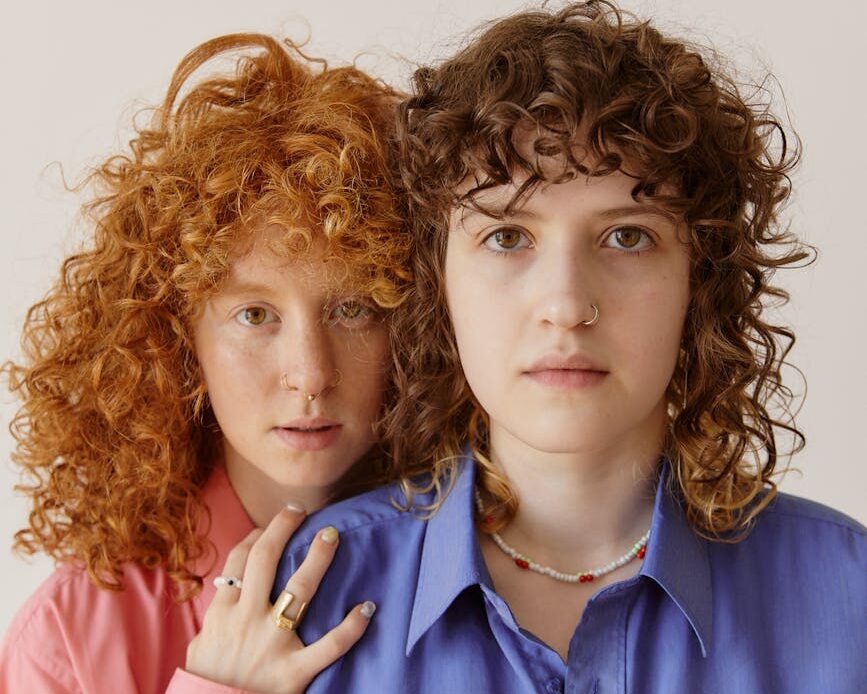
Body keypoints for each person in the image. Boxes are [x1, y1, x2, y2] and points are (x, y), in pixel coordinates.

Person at [271, 2, 867, 692]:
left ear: (697, 280)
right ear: (439, 282)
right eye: (506, 237)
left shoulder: (848, 591)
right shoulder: (310, 593)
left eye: (627, 237)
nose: (564, 306)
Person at [0, 32, 409, 693]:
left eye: (354, 310)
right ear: (176, 340)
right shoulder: (69, 640)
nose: (309, 373)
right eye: (255, 317)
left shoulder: (496, 573)